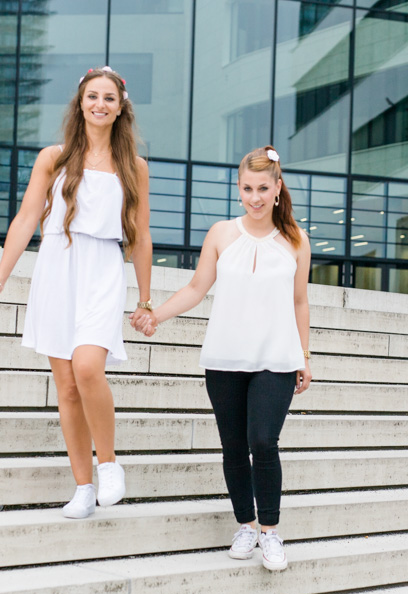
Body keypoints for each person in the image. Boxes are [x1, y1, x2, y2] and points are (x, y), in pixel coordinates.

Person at [0, 66, 153, 519]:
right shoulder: (52, 158)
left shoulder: (134, 168)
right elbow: (26, 218)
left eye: (109, 98)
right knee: (67, 387)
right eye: (93, 96)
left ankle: (109, 465)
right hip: (57, 266)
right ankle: (83, 486)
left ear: (121, 107)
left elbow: (142, 236)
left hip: (102, 268)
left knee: (89, 367)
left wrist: (145, 299)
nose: (100, 105)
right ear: (80, 103)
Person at [132, 145, 312, 571]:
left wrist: (304, 354)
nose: (255, 197)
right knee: (233, 445)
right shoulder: (221, 234)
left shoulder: (295, 239)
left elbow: (300, 301)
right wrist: (154, 315)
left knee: (263, 442)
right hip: (225, 358)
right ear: (238, 189)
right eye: (247, 188)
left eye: (263, 188)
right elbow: (196, 289)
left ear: (278, 188)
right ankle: (246, 525)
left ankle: (270, 532)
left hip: (277, 358)